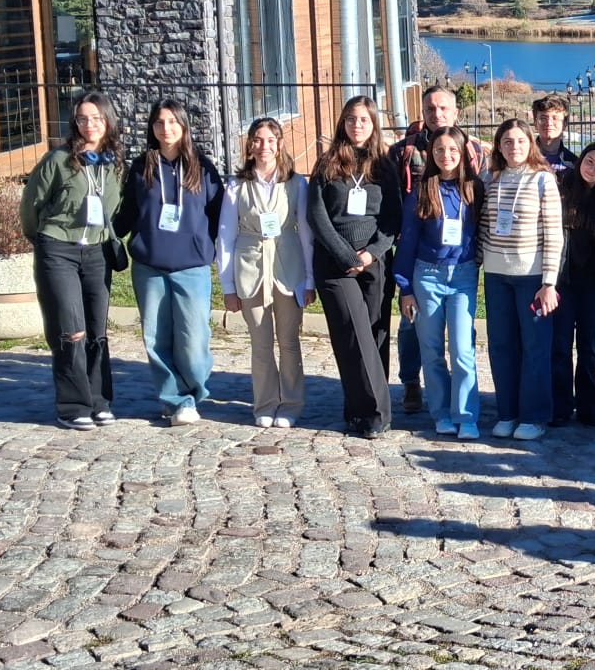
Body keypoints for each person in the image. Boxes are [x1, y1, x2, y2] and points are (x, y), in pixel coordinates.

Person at [116, 98, 224, 426]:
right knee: (156, 339)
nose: (167, 129)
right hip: (150, 267)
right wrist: (100, 235)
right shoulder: (141, 167)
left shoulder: (202, 167)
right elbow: (128, 214)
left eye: (173, 122)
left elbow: (221, 216)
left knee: (193, 340)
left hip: (191, 267)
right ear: (152, 128)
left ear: (184, 126)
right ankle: (175, 399)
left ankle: (193, 391)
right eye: (160, 123)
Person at [20, 91, 124, 430]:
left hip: (96, 252)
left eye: (96, 118)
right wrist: (46, 239)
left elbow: (118, 209)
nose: (89, 125)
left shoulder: (115, 163)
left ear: (108, 121)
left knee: (96, 329)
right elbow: (30, 206)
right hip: (59, 249)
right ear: (74, 123)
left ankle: (99, 401)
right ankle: (73, 406)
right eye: (82, 119)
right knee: (71, 329)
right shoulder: (59, 160)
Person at [387, 85, 486, 416]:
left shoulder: (474, 152)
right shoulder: (403, 150)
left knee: (460, 343)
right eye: (430, 109)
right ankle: (411, 383)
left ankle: (460, 408)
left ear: (456, 112)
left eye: (443, 108)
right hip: (419, 252)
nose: (436, 114)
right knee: (411, 328)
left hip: (459, 263)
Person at [310, 95, 402, 437]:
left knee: (375, 333)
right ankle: (375, 413)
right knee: (352, 334)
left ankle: (358, 406)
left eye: (364, 119)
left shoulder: (384, 166)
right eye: (351, 119)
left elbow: (394, 218)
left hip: (374, 261)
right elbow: (316, 216)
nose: (357, 125)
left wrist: (372, 253)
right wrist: (346, 256)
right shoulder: (327, 164)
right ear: (342, 124)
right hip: (335, 265)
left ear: (374, 123)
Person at [215, 116, 313, 429]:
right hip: (250, 268)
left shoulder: (296, 184)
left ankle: (290, 404)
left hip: (287, 270)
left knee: (288, 342)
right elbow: (225, 236)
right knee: (261, 343)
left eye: (270, 140)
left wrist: (310, 280)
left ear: (280, 144)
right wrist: (228, 285)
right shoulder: (236, 185)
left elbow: (306, 233)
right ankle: (265, 403)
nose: (264, 146)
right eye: (258, 140)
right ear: (250, 144)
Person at [480, 118, 564, 439]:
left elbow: (554, 235)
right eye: (507, 142)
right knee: (501, 346)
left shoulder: (542, 180)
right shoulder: (491, 178)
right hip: (496, 275)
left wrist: (549, 282)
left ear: (530, 143)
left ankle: (533, 416)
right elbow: (483, 228)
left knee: (535, 347)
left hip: (531, 277)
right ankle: (508, 412)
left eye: (519, 141)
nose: (513, 147)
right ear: (499, 146)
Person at [553, 141, 595, 427]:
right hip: (562, 279)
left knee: (589, 347)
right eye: (590, 161)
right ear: (581, 159)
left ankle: (589, 407)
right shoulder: (562, 186)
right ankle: (560, 406)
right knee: (560, 345)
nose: (593, 169)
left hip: (594, 282)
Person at [533, 94, 576, 173]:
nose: (549, 123)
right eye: (543, 118)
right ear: (535, 123)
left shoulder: (574, 163)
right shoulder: (525, 158)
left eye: (555, 118)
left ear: (565, 124)